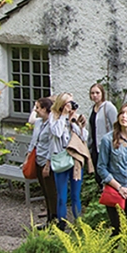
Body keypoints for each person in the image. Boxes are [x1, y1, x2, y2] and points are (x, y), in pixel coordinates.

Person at [41, 92, 89, 225]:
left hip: (74, 160)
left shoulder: (75, 117)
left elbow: (84, 137)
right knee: (61, 196)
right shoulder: (54, 117)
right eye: (68, 103)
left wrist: (78, 124)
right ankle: (61, 223)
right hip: (61, 159)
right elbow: (56, 132)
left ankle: (79, 223)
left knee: (75, 195)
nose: (71, 106)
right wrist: (64, 116)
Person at [97, 102, 127, 233]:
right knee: (117, 230)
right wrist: (118, 187)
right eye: (122, 113)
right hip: (114, 190)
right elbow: (101, 167)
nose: (124, 116)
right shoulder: (108, 140)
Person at [26, 96, 57, 224]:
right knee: (44, 190)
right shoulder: (39, 122)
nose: (36, 110)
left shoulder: (52, 124)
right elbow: (34, 140)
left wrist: (48, 164)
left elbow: (52, 145)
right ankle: (49, 217)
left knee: (51, 191)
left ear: (45, 109)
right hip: (38, 158)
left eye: (38, 108)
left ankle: (54, 218)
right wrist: (28, 156)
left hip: (47, 161)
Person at [87, 81, 118, 194]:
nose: (95, 95)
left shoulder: (108, 107)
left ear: (102, 94)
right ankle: (102, 194)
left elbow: (116, 126)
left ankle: (109, 194)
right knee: (98, 172)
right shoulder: (92, 109)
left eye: (97, 93)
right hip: (95, 146)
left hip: (106, 145)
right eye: (92, 93)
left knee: (106, 171)